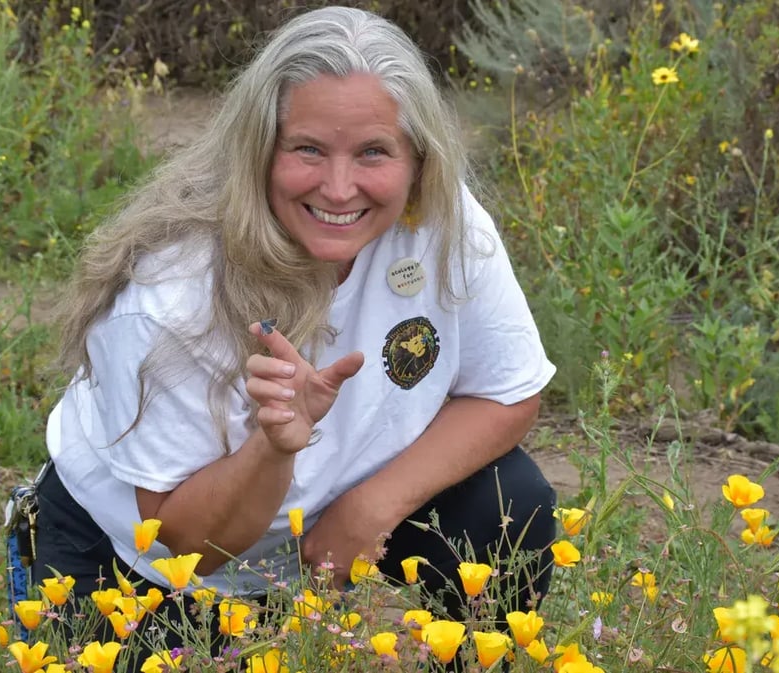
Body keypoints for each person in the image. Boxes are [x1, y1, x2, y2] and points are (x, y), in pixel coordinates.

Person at [29, 3, 558, 655]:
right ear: (259, 150)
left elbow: (507, 390)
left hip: (324, 525)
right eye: (307, 149)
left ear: (418, 160)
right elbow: (186, 540)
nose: (339, 189)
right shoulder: (170, 290)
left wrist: (370, 508)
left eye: (373, 152)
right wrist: (274, 447)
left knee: (510, 503)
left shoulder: (445, 225)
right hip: (145, 563)